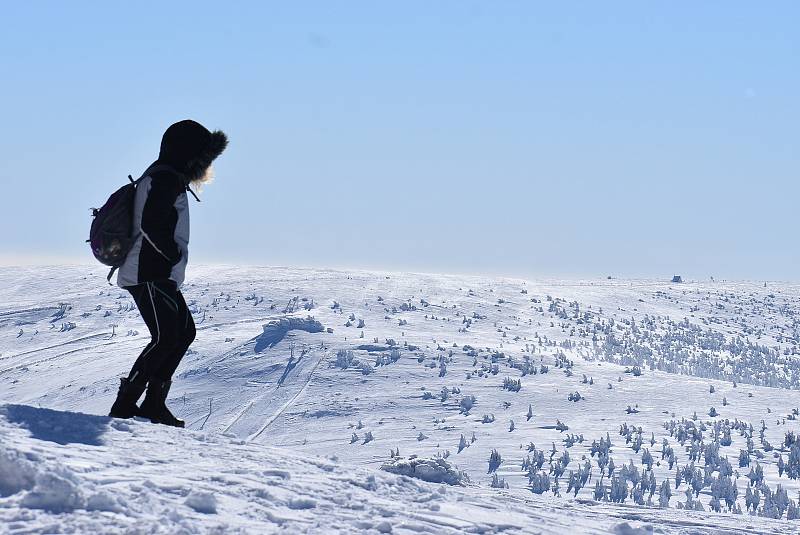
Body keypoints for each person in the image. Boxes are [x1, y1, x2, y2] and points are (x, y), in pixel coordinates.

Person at [108, 120, 227, 426]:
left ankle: (153, 404)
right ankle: (124, 404)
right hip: (148, 272)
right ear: (189, 155)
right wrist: (172, 255)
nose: (206, 167)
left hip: (160, 274)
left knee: (183, 333)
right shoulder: (165, 179)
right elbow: (152, 223)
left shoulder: (166, 176)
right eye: (204, 159)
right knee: (165, 337)